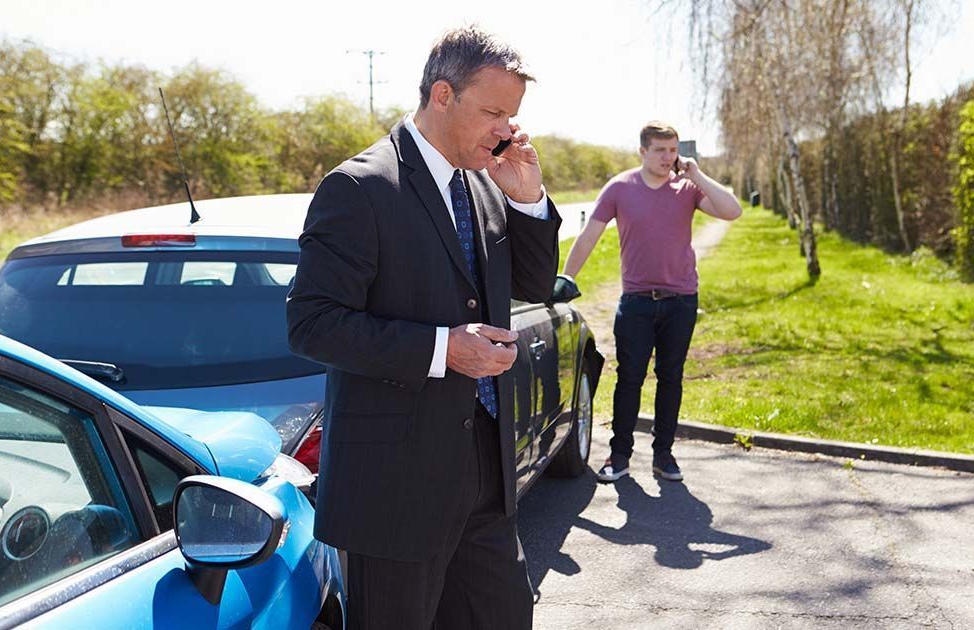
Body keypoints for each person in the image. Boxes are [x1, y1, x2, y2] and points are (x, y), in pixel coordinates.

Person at [286, 26, 560, 630]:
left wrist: (527, 197)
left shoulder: (487, 183)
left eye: (511, 116)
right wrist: (443, 350)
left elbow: (537, 285)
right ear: (442, 94)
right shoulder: (360, 187)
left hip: (486, 478)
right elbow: (312, 324)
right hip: (395, 495)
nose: (505, 131)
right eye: (493, 112)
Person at [562, 121, 741, 484]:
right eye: (660, 150)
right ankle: (619, 455)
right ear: (643, 151)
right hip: (637, 302)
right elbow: (589, 236)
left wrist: (697, 173)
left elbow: (732, 211)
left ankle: (664, 455)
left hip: (681, 300)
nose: (667, 157)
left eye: (672, 150)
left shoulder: (687, 188)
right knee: (629, 379)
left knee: (671, 378)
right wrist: (566, 279)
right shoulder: (620, 188)